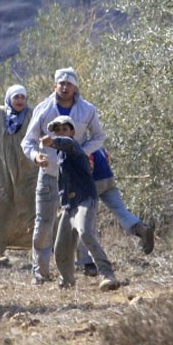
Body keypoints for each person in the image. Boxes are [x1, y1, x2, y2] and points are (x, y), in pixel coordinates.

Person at [21, 67, 105, 285]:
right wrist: (35, 156)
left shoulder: (87, 110)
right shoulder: (43, 109)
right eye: (61, 83)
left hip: (77, 177)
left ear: (76, 86)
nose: (65, 87)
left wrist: (79, 152)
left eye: (69, 83)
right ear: (55, 85)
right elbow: (28, 141)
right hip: (48, 174)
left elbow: (99, 137)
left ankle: (85, 264)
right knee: (44, 223)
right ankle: (40, 272)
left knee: (81, 222)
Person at [41, 115, 120, 291]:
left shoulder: (75, 147)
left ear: (72, 132)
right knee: (61, 248)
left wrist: (53, 140)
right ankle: (67, 281)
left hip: (85, 199)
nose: (61, 132)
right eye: (57, 130)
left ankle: (108, 275)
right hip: (70, 205)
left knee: (85, 233)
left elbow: (66, 143)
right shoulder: (61, 155)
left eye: (64, 129)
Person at [76, 148, 155, 276]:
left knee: (86, 222)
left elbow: (88, 166)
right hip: (108, 178)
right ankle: (141, 229)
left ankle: (87, 263)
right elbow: (107, 158)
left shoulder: (81, 144)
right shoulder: (97, 144)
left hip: (93, 182)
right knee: (121, 210)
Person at [0, 84, 38, 259]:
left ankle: (39, 249)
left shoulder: (32, 115)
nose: (20, 101)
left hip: (27, 171)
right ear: (9, 98)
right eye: (16, 97)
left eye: (23, 97)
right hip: (0, 171)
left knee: (34, 209)